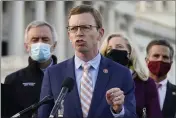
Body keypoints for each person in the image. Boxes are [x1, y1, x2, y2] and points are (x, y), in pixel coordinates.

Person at [38, 5, 136, 118]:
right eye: (73, 29)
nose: (79, 33)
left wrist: (119, 111)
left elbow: (132, 115)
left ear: (100, 33)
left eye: (85, 27)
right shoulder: (53, 74)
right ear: (69, 35)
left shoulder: (121, 74)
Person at [100, 33, 163, 118]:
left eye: (119, 47)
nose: (113, 51)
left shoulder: (146, 84)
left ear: (129, 53)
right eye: (109, 49)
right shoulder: (99, 81)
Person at [4, 20, 58, 118]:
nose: (40, 43)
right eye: (35, 39)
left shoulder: (68, 77)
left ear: (54, 45)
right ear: (26, 46)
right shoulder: (13, 80)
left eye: (45, 39)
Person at [145, 39, 176, 118]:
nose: (160, 59)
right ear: (147, 61)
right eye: (156, 56)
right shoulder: (134, 88)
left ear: (171, 63)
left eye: (165, 57)